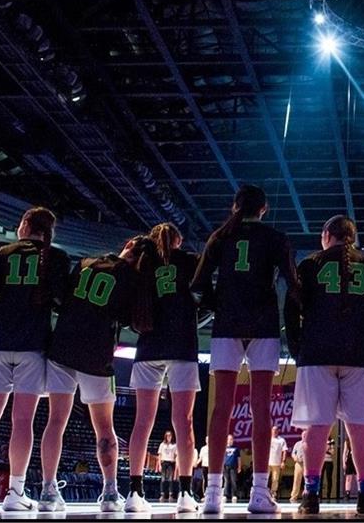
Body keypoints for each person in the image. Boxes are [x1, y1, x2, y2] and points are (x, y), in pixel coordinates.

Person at [190, 185, 299, 514]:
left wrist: (220, 303)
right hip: (263, 326)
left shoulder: (220, 237)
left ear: (234, 205)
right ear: (264, 209)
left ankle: (212, 493)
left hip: (226, 326)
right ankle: (259, 492)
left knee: (221, 408)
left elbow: (197, 286)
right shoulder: (275, 238)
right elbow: (292, 282)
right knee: (261, 409)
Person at [283, 215, 364, 515]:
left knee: (316, 428)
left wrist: (297, 348)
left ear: (326, 235)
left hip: (317, 353)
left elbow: (291, 309)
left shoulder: (310, 265)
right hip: (360, 354)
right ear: (352, 237)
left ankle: (310, 496)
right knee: (360, 427)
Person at [38, 235, 158, 513]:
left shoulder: (86, 261)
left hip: (63, 347)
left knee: (55, 421)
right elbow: (130, 319)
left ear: (126, 245)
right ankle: (110, 491)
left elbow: (62, 297)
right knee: (105, 428)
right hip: (97, 354)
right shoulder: (132, 279)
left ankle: (47, 489)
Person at [0, 207, 70, 512]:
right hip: (33, 346)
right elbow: (62, 300)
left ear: (25, 225)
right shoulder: (57, 257)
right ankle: (16, 492)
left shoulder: (3, 252)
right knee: (22, 421)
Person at [126, 223, 200, 513]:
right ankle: (185, 493)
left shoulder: (144, 263)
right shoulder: (189, 260)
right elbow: (205, 295)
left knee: (142, 422)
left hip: (147, 346)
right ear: (178, 241)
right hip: (181, 346)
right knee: (184, 423)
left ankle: (135, 491)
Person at [155, 431, 178, 503]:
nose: (169, 437)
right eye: (167, 436)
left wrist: (176, 463)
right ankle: (162, 494)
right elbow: (159, 455)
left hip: (171, 462)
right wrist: (159, 465)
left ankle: (170, 494)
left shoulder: (174, 445)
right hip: (164, 462)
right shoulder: (162, 444)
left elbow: (176, 455)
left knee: (171, 479)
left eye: (170, 436)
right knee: (163, 479)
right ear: (165, 437)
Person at [268, 426, 288, 498]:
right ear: (271, 431)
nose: (274, 431)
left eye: (276, 430)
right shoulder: (268, 438)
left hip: (276, 463)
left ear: (278, 431)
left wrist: (283, 461)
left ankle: (273, 492)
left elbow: (284, 451)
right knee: (265, 478)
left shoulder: (281, 440)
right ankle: (264, 492)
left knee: (275, 479)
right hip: (267, 463)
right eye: (273, 430)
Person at [290, 431, 307, 503]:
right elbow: (293, 453)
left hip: (307, 464)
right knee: (296, 480)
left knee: (307, 481)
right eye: (303, 435)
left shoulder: (310, 443)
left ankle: (307, 496)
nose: (304, 436)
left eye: (306, 435)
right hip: (298, 464)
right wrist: (295, 458)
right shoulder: (297, 444)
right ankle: (294, 496)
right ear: (301, 435)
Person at [224, 435, 240, 503]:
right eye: (229, 439)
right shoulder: (224, 448)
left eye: (231, 439)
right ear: (227, 440)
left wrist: (239, 467)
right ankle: (225, 495)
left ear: (233, 440)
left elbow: (239, 458)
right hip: (225, 466)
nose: (230, 441)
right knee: (226, 481)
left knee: (233, 481)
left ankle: (234, 495)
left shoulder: (236, 449)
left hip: (233, 466)